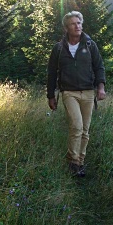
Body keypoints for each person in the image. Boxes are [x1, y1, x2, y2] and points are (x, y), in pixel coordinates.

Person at [47, 11, 106, 177]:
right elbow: (51, 73)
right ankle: (73, 162)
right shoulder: (58, 49)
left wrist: (100, 87)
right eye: (73, 24)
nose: (77, 26)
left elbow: (99, 66)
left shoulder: (89, 45)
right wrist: (51, 96)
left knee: (85, 130)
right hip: (68, 93)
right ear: (67, 28)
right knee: (77, 126)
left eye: (79, 23)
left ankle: (80, 162)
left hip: (88, 92)